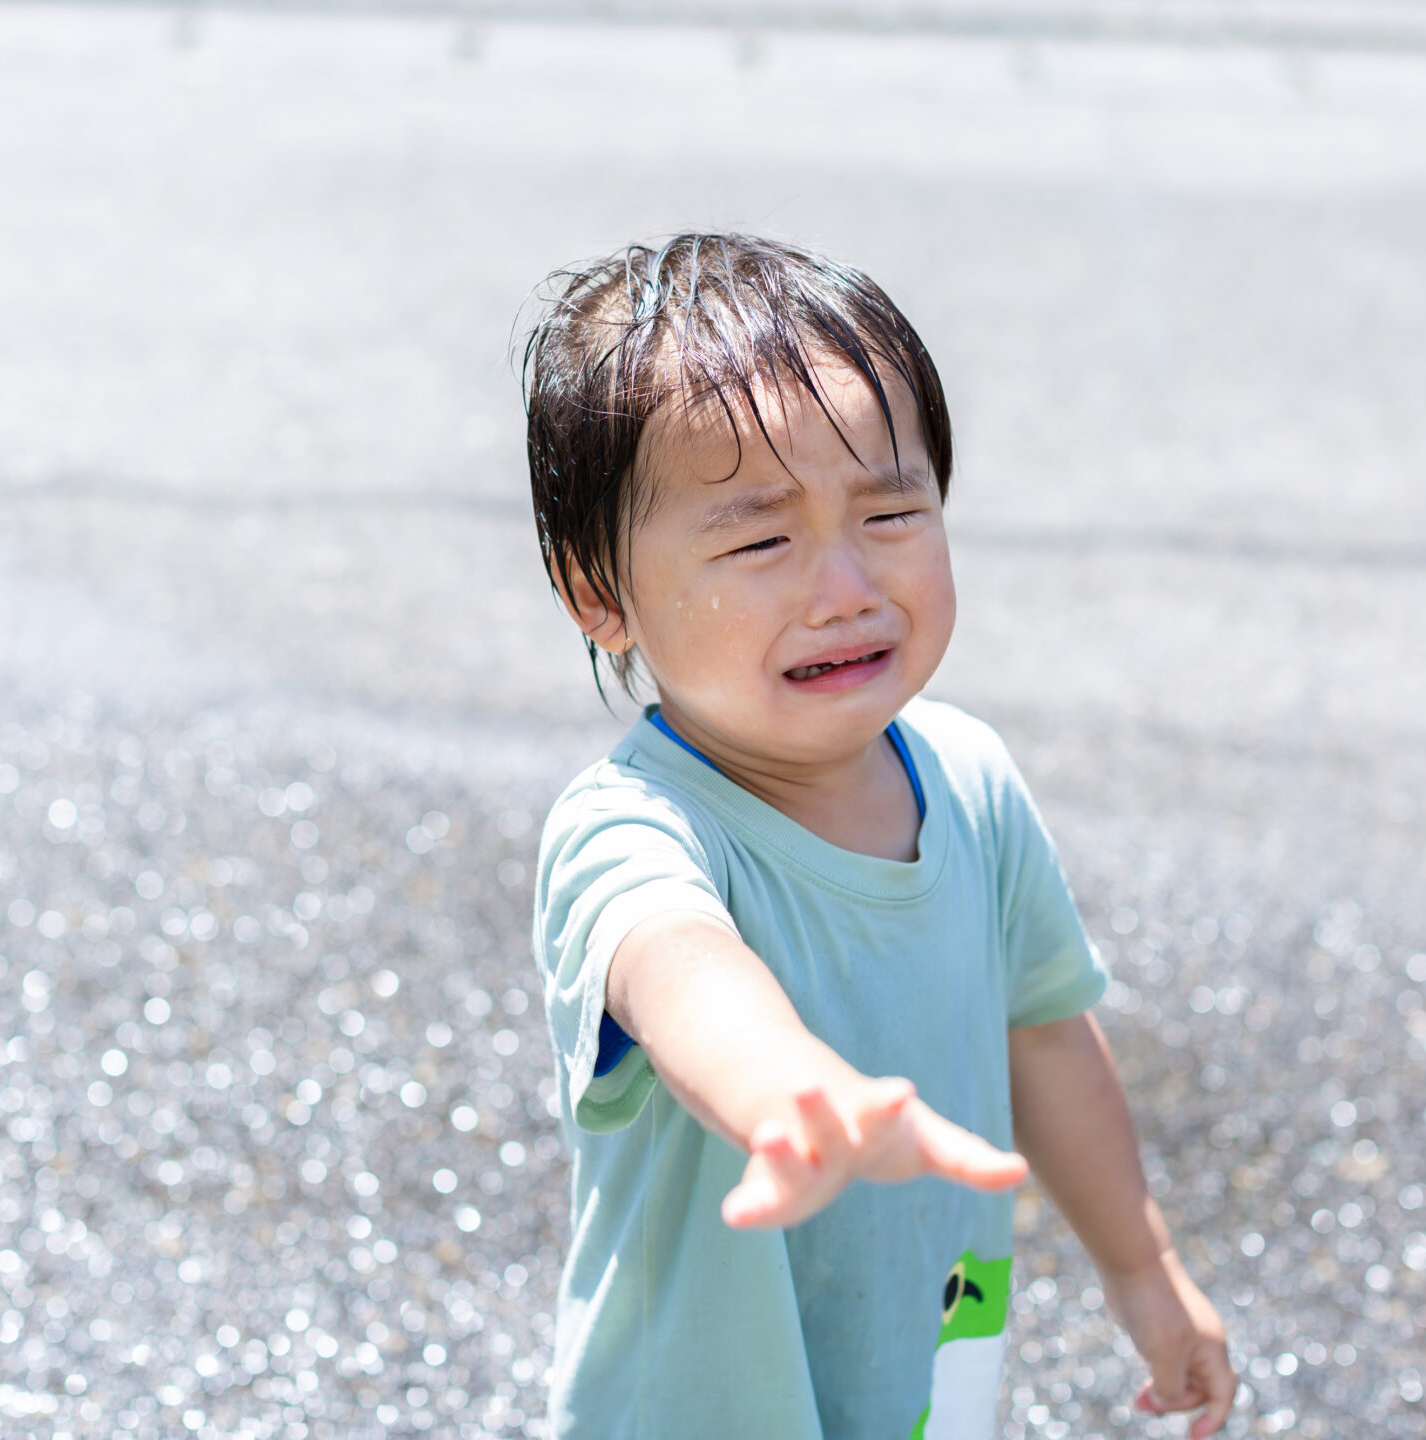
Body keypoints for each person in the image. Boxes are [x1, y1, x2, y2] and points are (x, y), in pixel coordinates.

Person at [521, 234, 1236, 1439]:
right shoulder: (631, 828)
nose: (845, 585)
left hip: (917, 1378)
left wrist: (1142, 1268)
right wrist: (792, 1094)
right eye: (760, 540)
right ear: (598, 589)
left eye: (890, 511)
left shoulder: (968, 780)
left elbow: (1045, 1037)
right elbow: (682, 970)